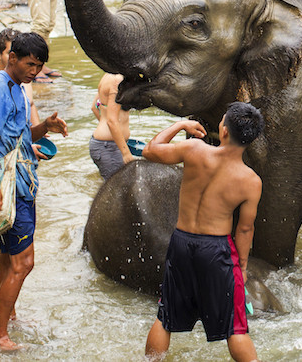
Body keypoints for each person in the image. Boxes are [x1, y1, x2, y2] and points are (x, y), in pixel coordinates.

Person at [142, 104, 264, 360]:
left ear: (224, 132)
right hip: (217, 250)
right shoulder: (251, 181)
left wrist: (180, 125)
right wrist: (240, 266)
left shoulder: (194, 149)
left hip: (182, 241)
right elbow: (244, 228)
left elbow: (149, 150)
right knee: (235, 327)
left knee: (165, 317)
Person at [0, 32, 68, 350]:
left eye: (39, 66)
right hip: (7, 185)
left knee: (6, 255)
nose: (35, 71)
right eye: (30, 64)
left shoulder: (18, 88)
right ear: (12, 57)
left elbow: (19, 134)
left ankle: (7, 316)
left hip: (20, 182)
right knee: (24, 262)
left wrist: (45, 128)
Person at [0, 29, 41, 127]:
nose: (15, 58)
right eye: (10, 53)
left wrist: (41, 133)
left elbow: (30, 104)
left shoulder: (24, 75)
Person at [90, 73, 132, 180]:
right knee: (118, 190)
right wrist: (126, 153)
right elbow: (112, 121)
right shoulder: (117, 80)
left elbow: (94, 107)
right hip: (108, 147)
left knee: (113, 188)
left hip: (106, 145)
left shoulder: (107, 75)